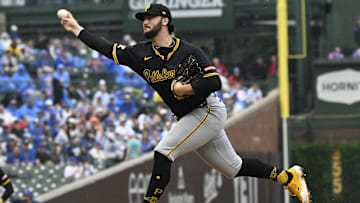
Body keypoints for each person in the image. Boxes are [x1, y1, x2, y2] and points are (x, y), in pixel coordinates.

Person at [59, 4, 311, 203]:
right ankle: (288, 177)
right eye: (143, 18)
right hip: (189, 117)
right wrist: (77, 29)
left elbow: (215, 82)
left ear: (165, 20)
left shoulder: (189, 51)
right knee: (233, 168)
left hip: (206, 110)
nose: (145, 21)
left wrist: (186, 88)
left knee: (163, 152)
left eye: (150, 16)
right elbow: (107, 48)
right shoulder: (140, 54)